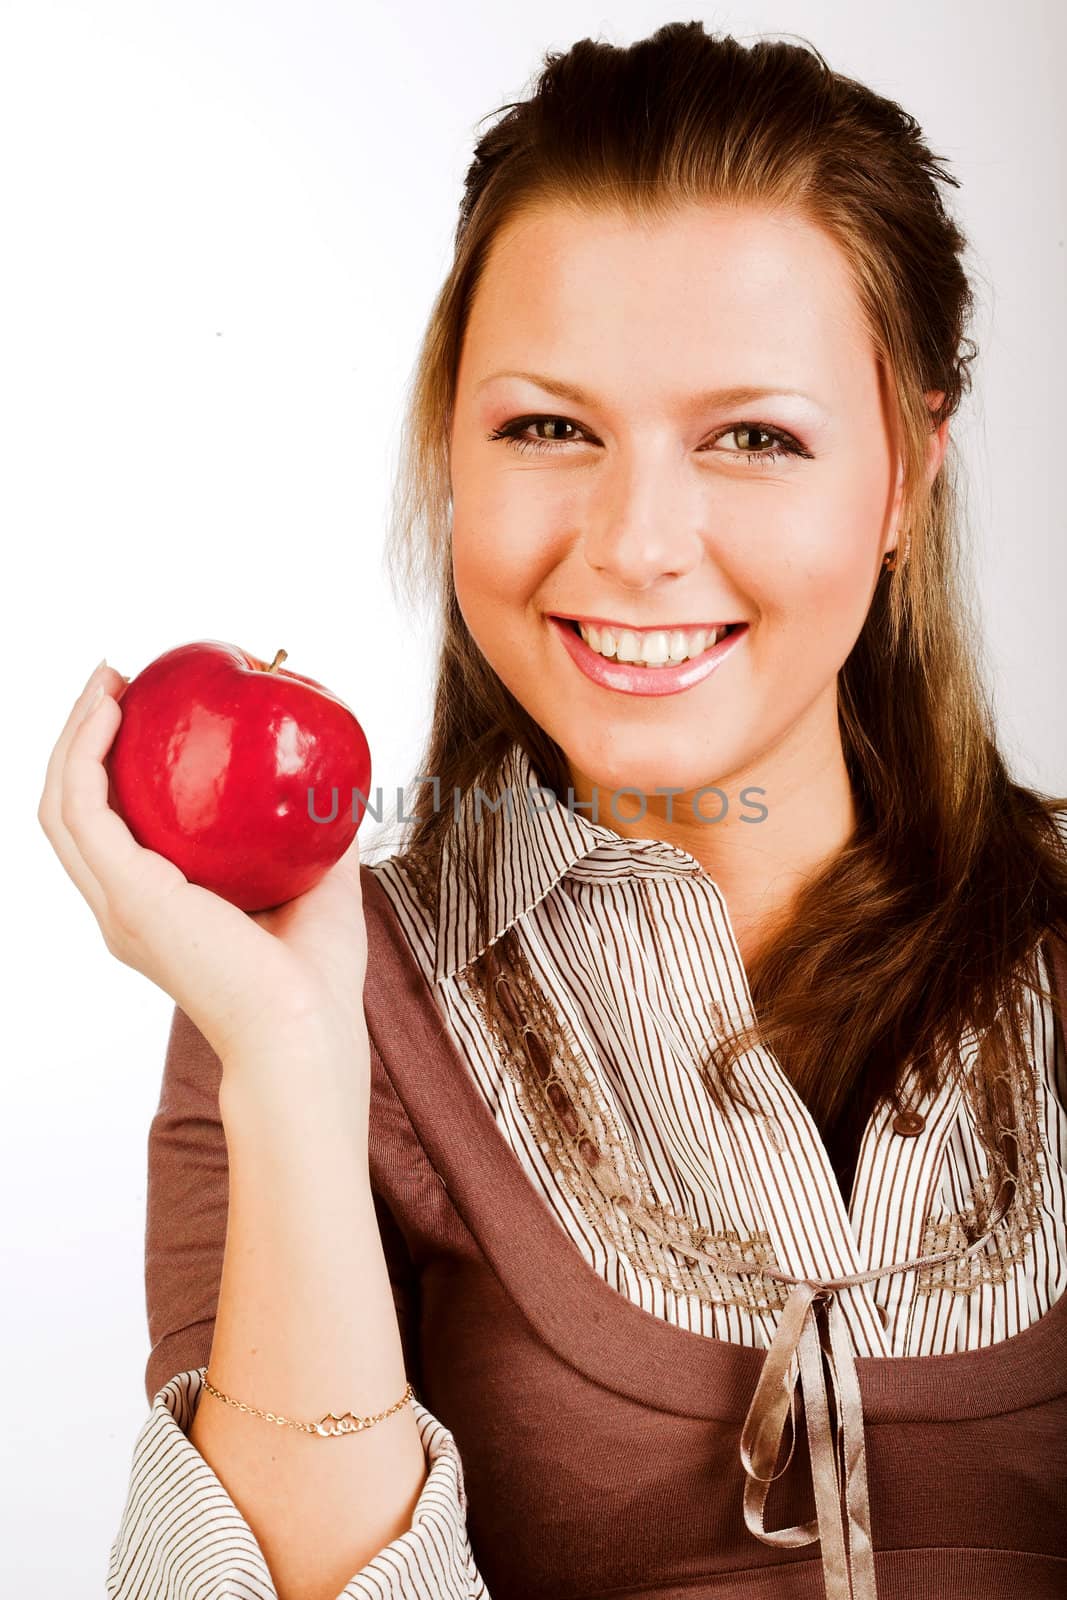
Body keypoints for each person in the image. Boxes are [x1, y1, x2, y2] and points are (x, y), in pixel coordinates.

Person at [38, 21, 1067, 1600]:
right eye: (547, 427)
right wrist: (304, 1072)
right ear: (453, 444)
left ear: (905, 481)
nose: (639, 542)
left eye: (754, 438)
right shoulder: (303, 1005)